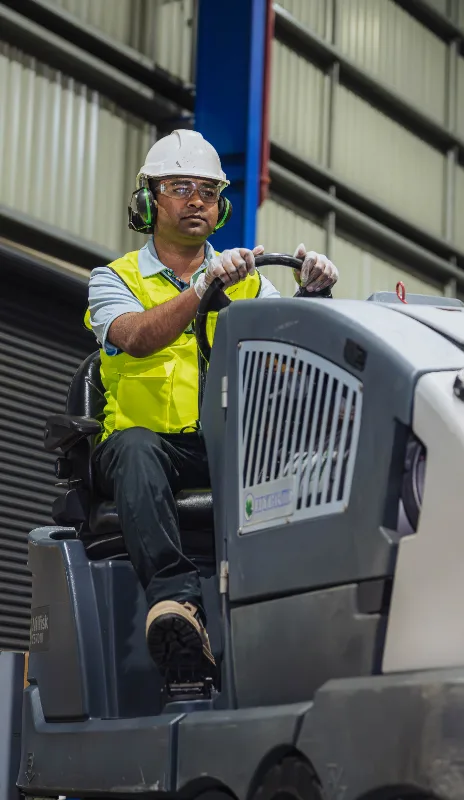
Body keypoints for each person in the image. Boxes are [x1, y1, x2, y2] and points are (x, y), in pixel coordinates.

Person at [85, 129, 339, 680]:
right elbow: (138, 337)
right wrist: (201, 290)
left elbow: (295, 360)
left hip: (222, 449)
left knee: (309, 458)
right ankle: (178, 605)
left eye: (208, 190)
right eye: (180, 186)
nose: (197, 199)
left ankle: (300, 614)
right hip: (143, 451)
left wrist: (312, 297)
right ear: (151, 200)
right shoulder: (113, 280)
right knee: (134, 447)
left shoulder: (248, 284)